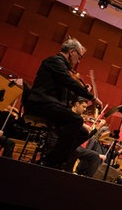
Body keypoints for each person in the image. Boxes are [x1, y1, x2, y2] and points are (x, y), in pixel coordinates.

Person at [23, 37, 103, 169]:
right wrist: (92, 97)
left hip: (52, 105)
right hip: (41, 104)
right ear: (72, 52)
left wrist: (81, 92)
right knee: (75, 120)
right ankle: (54, 161)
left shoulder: (63, 68)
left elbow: (67, 94)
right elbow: (68, 81)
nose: (79, 61)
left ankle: (52, 158)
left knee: (83, 133)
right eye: (79, 56)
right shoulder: (54, 61)